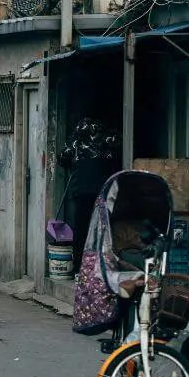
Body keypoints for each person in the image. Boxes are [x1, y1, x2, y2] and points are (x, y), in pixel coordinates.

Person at [58, 118, 120, 275]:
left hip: (81, 191)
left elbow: (62, 159)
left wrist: (73, 163)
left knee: (81, 229)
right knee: (103, 229)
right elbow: (117, 154)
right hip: (103, 191)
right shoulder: (107, 139)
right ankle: (102, 268)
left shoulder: (75, 141)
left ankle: (80, 268)